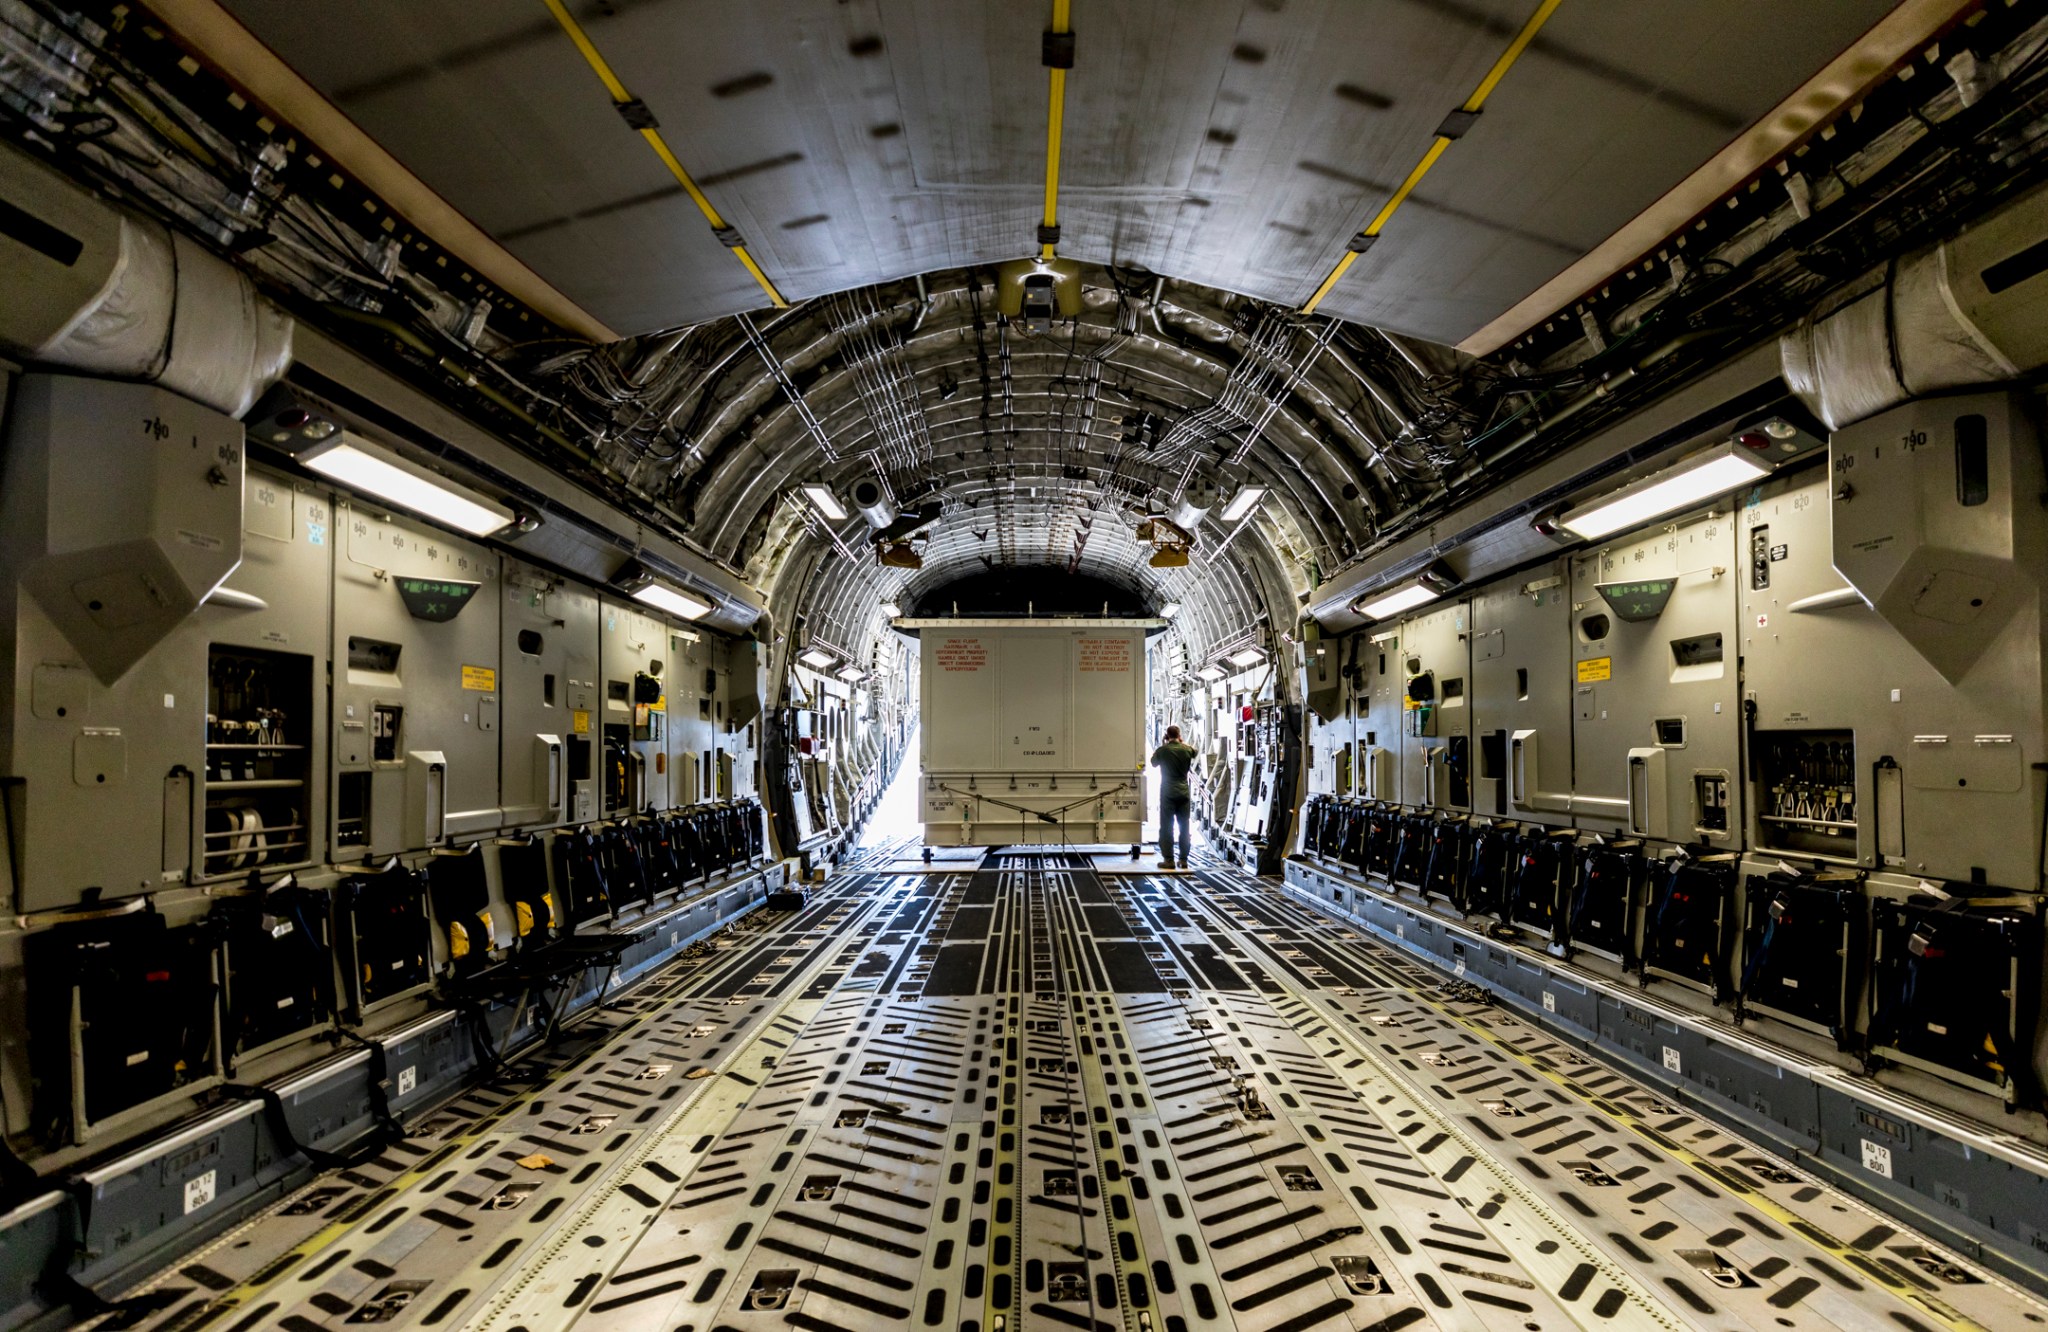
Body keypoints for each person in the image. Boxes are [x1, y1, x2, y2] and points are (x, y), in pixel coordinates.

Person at [1150, 725, 1198, 870]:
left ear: (1166, 735)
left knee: (1166, 827)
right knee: (1184, 827)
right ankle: (1183, 860)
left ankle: (1169, 860)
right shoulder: (1187, 749)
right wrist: (1181, 742)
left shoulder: (1163, 750)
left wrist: (1165, 744)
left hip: (1168, 793)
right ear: (1179, 734)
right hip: (1184, 792)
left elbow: (1153, 763)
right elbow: (1194, 751)